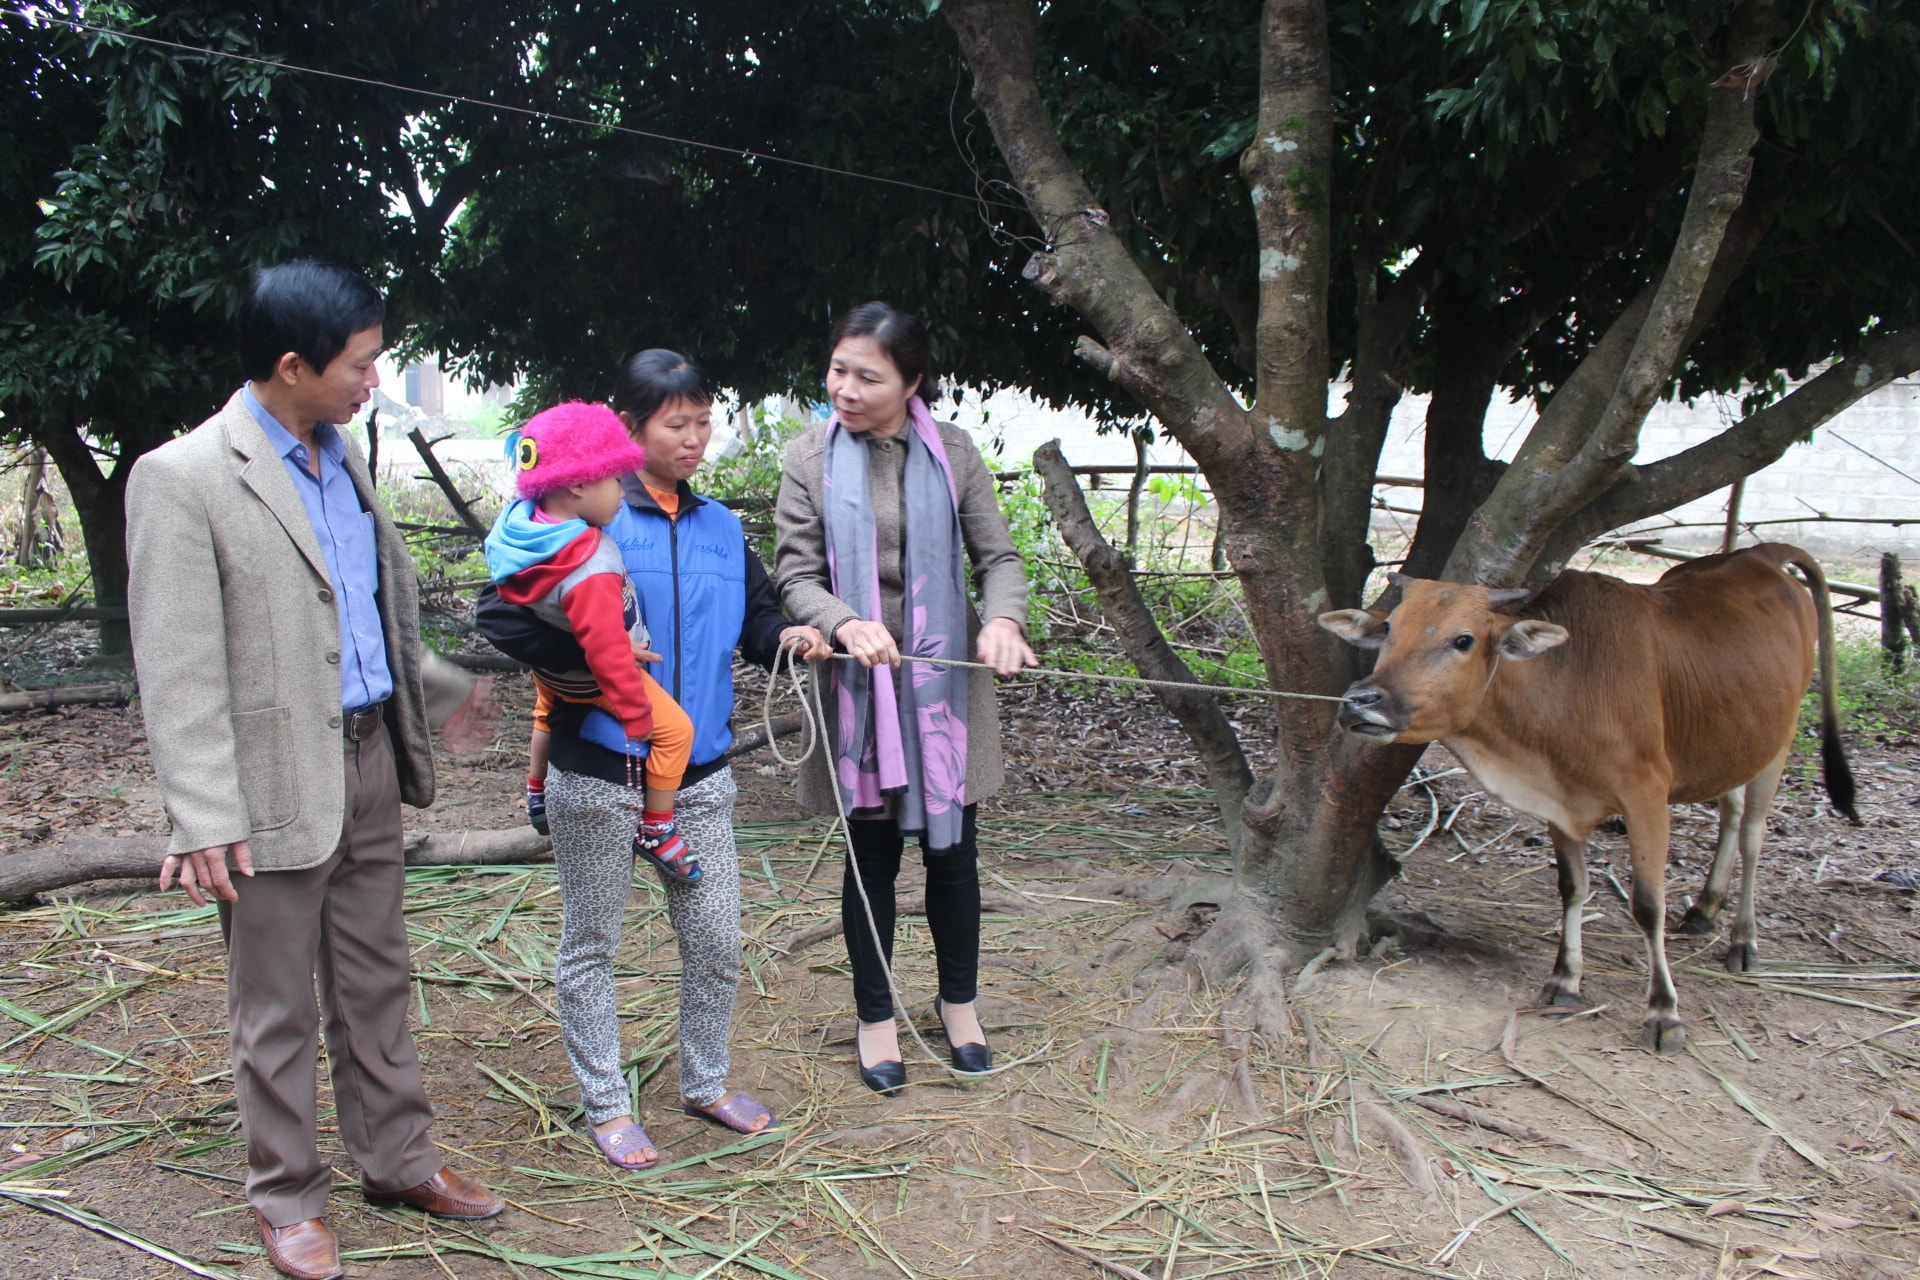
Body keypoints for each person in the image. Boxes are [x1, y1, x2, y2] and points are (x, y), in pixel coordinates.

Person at [125, 261, 503, 1280]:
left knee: (378, 980)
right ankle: (288, 1194)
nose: (372, 379)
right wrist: (203, 815)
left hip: (367, 757)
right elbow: (178, 664)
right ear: (291, 365)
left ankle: (397, 1158)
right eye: (360, 363)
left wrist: (435, 687)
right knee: (277, 1003)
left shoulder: (338, 453)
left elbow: (356, 607)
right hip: (269, 786)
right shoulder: (185, 476)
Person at [476, 349, 828, 1168]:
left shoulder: (718, 529)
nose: (696, 439)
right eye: (678, 424)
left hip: (698, 776)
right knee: (591, 943)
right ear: (629, 431)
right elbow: (500, 613)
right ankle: (606, 1104)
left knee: (716, 942)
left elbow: (758, 622)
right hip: (599, 772)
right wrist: (585, 669)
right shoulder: (585, 523)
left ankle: (705, 1083)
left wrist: (793, 641)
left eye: (705, 422)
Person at [773, 303, 1036, 1093]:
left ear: (913, 381)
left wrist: (1002, 620)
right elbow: (793, 575)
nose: (845, 389)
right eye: (838, 369)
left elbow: (999, 557)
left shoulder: (952, 451)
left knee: (954, 857)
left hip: (944, 693)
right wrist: (844, 622)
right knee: (872, 860)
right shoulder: (807, 458)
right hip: (857, 690)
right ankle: (876, 1017)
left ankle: (961, 1007)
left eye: (868, 376)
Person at [483, 402, 700, 883]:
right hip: (592, 679)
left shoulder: (523, 529)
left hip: (552, 674)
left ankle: (536, 788)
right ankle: (657, 827)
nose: (623, 493)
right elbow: (605, 651)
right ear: (578, 484)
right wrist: (636, 715)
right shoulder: (591, 565)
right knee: (678, 732)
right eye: (614, 480)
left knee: (544, 711)